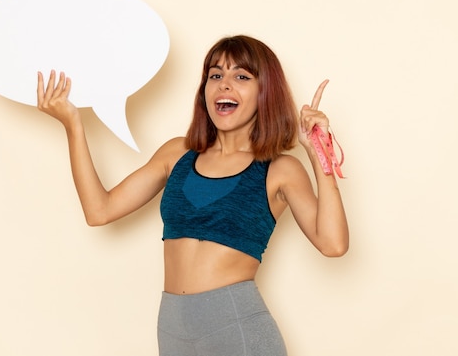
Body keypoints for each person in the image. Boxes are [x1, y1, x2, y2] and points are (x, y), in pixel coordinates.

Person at [36, 35, 349, 356]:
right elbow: (98, 211)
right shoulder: (177, 154)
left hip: (238, 330)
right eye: (216, 75)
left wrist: (319, 150)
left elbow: (333, 244)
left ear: (264, 92)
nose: (225, 85)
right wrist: (73, 125)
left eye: (241, 76)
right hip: (173, 331)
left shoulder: (280, 169)